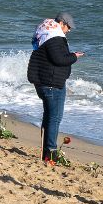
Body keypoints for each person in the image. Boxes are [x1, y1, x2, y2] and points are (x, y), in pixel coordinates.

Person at [26, 13, 84, 164]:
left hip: (43, 82)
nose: (69, 30)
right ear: (62, 23)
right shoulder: (55, 37)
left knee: (49, 116)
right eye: (68, 27)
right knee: (54, 118)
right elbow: (59, 59)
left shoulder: (45, 32)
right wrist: (74, 56)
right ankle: (50, 153)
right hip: (51, 84)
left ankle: (46, 151)